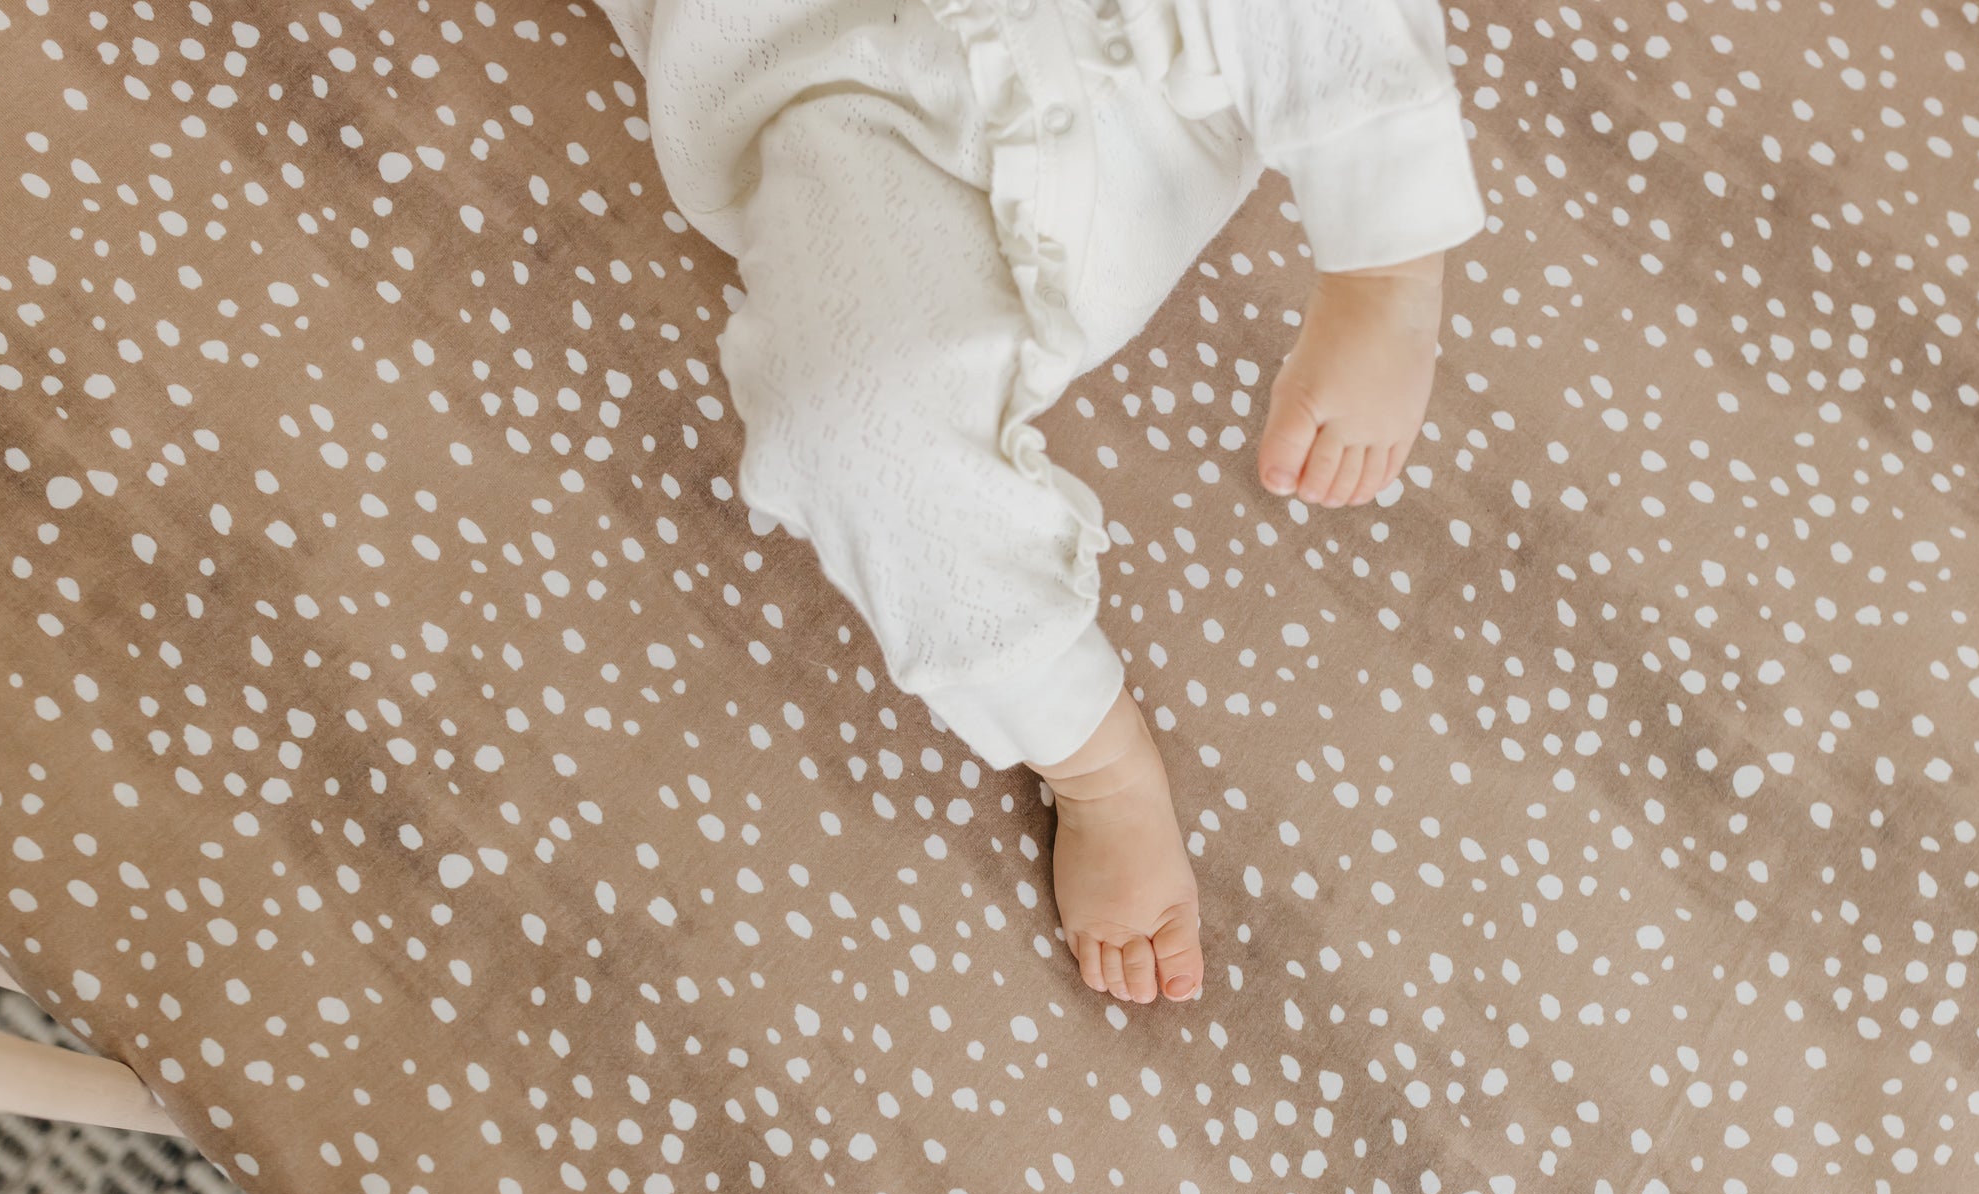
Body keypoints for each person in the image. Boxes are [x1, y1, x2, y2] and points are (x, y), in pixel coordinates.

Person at [594, 0, 1484, 1003]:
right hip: (840, 88)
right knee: (842, 418)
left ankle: (1388, 269)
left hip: (1143, 47)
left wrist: (1382, 251)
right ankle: (1094, 756)